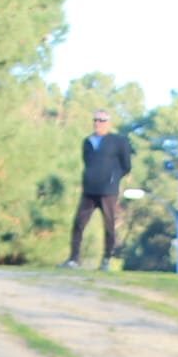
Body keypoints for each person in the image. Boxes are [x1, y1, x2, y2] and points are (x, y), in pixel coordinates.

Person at [65, 109, 131, 271]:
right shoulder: (87, 141)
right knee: (79, 223)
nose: (98, 123)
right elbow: (87, 162)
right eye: (96, 120)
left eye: (102, 120)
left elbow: (126, 166)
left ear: (108, 123)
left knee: (109, 225)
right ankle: (74, 258)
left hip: (108, 191)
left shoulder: (118, 142)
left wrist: (113, 178)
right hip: (89, 190)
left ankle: (106, 259)